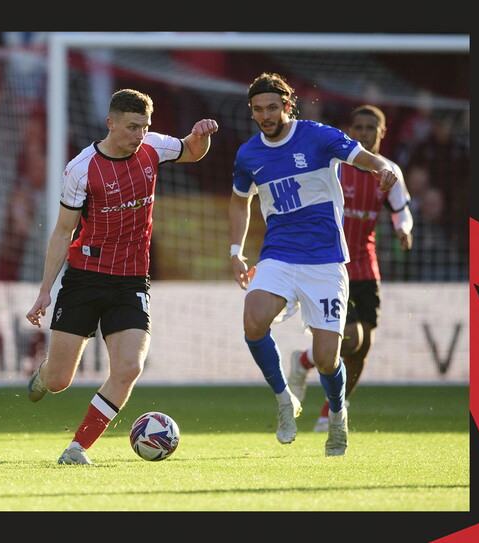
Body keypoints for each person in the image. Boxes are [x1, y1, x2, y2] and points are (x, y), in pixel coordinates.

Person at [25, 88, 218, 465]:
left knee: (129, 367)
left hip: (130, 280)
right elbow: (63, 231)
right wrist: (45, 290)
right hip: (84, 277)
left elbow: (192, 151)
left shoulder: (154, 147)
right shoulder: (81, 168)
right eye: (131, 127)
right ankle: (45, 374)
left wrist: (201, 137)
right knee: (59, 382)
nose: (139, 135)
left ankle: (77, 448)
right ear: (110, 123)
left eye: (144, 127)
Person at [228, 73, 397, 457]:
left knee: (326, 359)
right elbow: (240, 200)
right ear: (252, 112)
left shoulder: (318, 136)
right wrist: (235, 250)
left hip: (324, 261)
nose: (266, 115)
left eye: (273, 107)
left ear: (288, 106)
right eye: (258, 110)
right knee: (253, 320)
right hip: (279, 254)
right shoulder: (248, 155)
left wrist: (380, 168)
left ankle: (337, 417)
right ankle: (285, 401)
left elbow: (360, 155)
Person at [285, 104, 413, 432]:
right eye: (359, 127)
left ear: (382, 133)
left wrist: (403, 229)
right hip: (332, 264)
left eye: (371, 128)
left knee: (363, 345)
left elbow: (401, 210)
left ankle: (330, 412)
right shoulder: (335, 167)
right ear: (350, 131)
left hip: (367, 269)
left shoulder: (389, 172)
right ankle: (305, 360)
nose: (364, 133)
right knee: (352, 338)